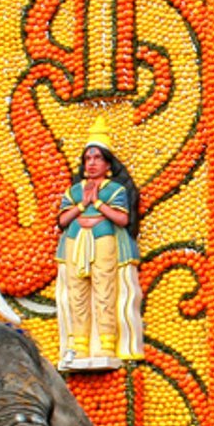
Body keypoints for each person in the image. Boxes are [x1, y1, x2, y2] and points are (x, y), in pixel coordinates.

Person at [54, 117, 145, 368]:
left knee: (104, 291)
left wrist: (97, 204)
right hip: (75, 242)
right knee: (77, 294)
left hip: (104, 240)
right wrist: (83, 203)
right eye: (88, 159)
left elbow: (123, 218)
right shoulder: (74, 191)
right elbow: (62, 220)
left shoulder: (115, 190)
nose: (92, 163)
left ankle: (106, 342)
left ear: (108, 164)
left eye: (97, 158)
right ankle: (80, 344)